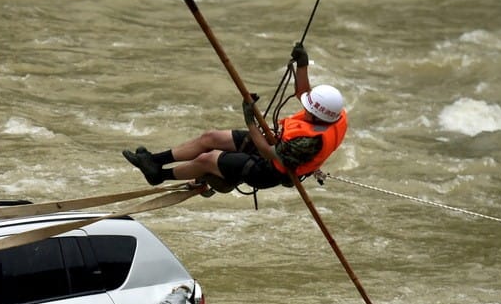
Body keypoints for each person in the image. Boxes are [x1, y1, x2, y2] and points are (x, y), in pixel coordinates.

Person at [122, 43, 347, 195]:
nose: (304, 108)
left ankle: (159, 175)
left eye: (309, 109)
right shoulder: (332, 112)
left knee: (208, 159)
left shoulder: (309, 142)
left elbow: (268, 152)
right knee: (211, 137)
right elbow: (303, 93)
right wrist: (302, 64)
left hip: (269, 170)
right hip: (274, 144)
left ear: (318, 115)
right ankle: (153, 160)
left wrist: (249, 119)